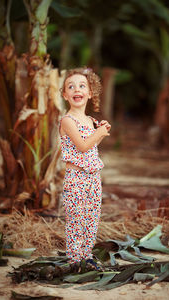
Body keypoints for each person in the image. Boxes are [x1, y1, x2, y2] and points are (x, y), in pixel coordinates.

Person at [59, 67, 111, 271]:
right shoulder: (67, 120)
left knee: (91, 217)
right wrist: (99, 133)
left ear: (90, 93)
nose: (76, 89)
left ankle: (87, 256)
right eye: (70, 87)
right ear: (65, 95)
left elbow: (94, 139)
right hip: (76, 177)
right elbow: (82, 146)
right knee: (76, 218)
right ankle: (74, 259)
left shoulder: (91, 121)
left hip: (93, 177)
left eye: (82, 86)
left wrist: (101, 128)